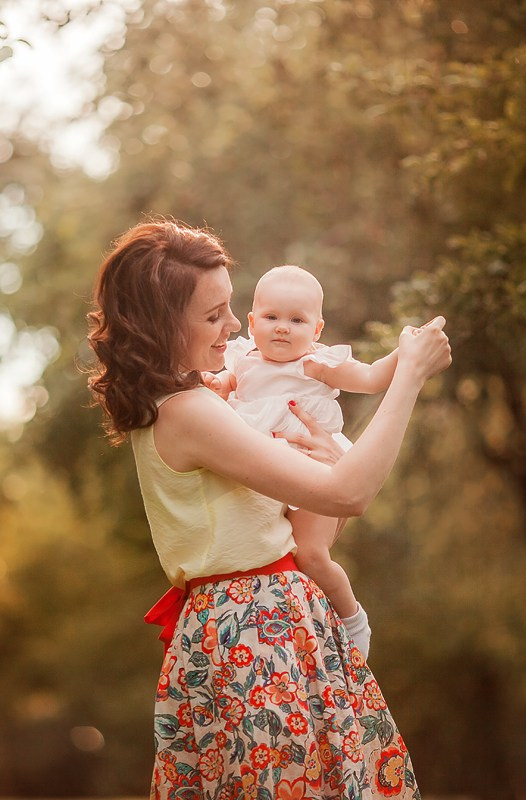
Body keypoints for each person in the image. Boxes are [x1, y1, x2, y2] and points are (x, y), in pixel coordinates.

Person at [86, 218, 449, 800]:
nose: (234, 327)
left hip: (267, 620)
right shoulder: (188, 412)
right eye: (214, 315)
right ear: (161, 325)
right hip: (255, 632)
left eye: (231, 309)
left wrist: (331, 457)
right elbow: (349, 495)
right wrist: (408, 375)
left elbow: (332, 497)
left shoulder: (200, 400)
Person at [204, 264, 402, 657]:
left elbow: (372, 378)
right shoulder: (242, 360)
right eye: (272, 317)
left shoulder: (314, 365)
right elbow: (221, 389)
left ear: (317, 330)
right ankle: (307, 635)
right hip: (267, 477)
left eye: (297, 320)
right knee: (280, 559)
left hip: (316, 468)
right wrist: (215, 384)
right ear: (252, 321)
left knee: (310, 555)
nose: (282, 327)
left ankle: (353, 622)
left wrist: (408, 354)